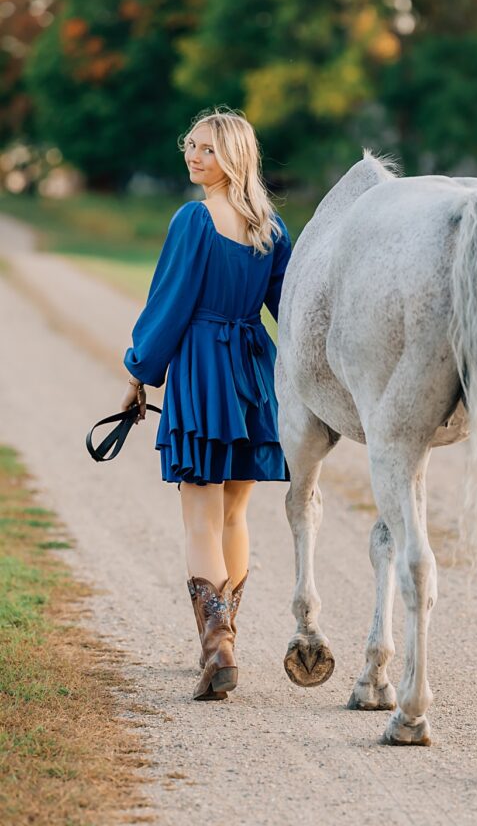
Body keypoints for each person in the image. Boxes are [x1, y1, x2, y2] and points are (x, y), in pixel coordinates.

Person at [120, 108, 292, 702]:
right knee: (234, 515)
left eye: (207, 151)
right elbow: (288, 312)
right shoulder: (271, 227)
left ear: (234, 158)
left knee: (200, 514)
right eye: (190, 146)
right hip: (252, 372)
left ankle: (217, 645)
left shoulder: (194, 220)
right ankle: (227, 638)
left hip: (201, 367)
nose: (193, 157)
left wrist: (140, 372)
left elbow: (168, 305)